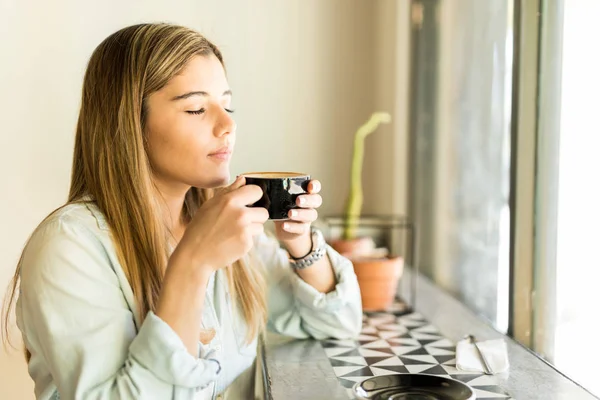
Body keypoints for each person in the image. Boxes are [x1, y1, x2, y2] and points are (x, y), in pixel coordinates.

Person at [1, 23, 362, 399]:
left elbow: (337, 324)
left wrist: (300, 244)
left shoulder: (219, 224)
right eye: (195, 108)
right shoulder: (68, 248)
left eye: (227, 104)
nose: (228, 125)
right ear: (130, 124)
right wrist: (192, 264)